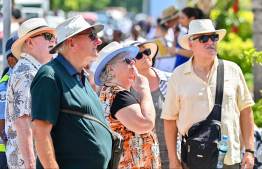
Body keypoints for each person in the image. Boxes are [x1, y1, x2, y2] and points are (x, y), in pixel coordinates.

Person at [161, 19, 255, 169]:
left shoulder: (233, 70)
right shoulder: (178, 75)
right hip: (193, 160)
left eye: (213, 37)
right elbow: (169, 119)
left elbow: (246, 111)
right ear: (191, 44)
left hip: (229, 160)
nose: (210, 41)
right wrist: (173, 159)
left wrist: (249, 151)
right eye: (204, 38)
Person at [31, 15, 112, 169]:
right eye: (92, 36)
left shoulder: (80, 76)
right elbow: (40, 132)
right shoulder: (50, 75)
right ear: (71, 43)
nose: (98, 41)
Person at [94, 41, 161, 168]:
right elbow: (146, 123)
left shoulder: (111, 92)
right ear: (110, 69)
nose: (133, 62)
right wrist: (144, 89)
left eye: (132, 59)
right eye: (126, 60)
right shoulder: (118, 95)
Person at [5, 18, 55, 168]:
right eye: (47, 36)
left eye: (52, 35)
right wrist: (31, 165)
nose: (52, 39)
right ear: (30, 42)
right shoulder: (28, 73)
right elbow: (23, 123)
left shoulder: (29, 69)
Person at [127, 41, 180, 169]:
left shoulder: (170, 80)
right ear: (130, 62)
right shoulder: (127, 88)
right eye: (139, 55)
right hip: (141, 160)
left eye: (147, 52)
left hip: (172, 156)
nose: (145, 56)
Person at [0, 35, 19, 169]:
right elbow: (1, 123)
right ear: (12, 60)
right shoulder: (5, 85)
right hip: (6, 154)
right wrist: (12, 154)